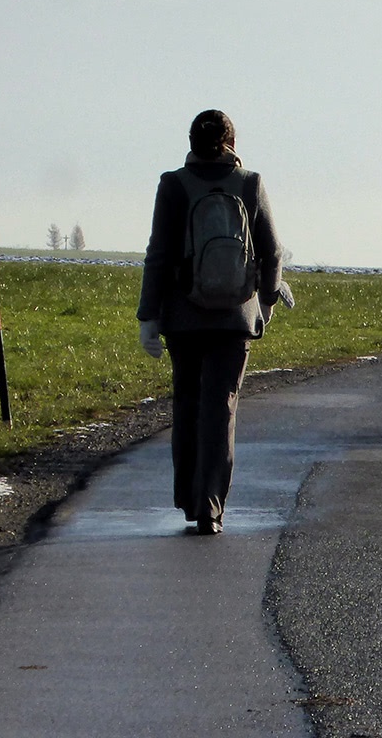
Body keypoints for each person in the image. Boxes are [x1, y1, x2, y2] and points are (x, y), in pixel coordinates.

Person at [136, 110, 286, 535]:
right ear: (233, 144)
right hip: (235, 317)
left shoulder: (173, 185)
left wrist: (148, 316)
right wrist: (267, 301)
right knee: (221, 409)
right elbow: (272, 251)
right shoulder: (250, 183)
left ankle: (187, 496)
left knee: (187, 405)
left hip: (183, 317)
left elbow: (159, 255)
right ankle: (211, 507)